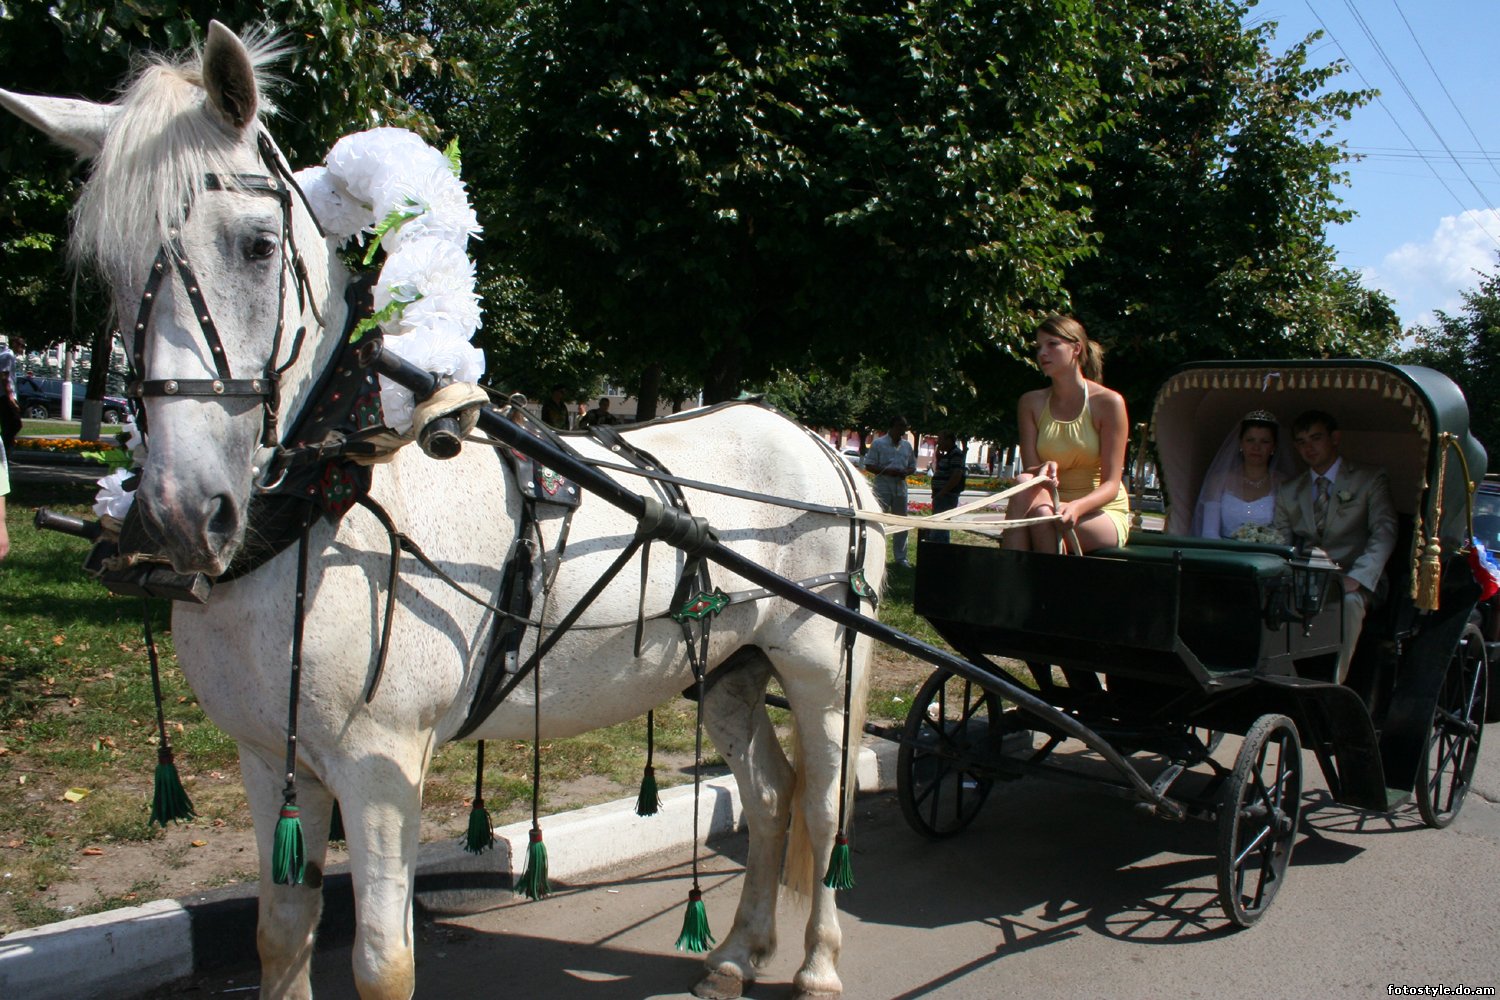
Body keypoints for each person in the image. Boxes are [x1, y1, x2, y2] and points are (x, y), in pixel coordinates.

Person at [1271, 409, 1396, 684]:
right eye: (1301, 442)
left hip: (1355, 578)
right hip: (1306, 579)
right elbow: (1281, 540)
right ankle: (1281, 677)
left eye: (1316, 438)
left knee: (1349, 603)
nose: (1309, 448)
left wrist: (1358, 577)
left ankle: (1334, 683)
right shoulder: (1289, 490)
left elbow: (1384, 532)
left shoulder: (1369, 478)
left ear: (1335, 438)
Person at [1003, 314, 1130, 554]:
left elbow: (1112, 484)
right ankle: (1018, 573)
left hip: (1099, 510)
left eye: (1052, 344)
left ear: (1076, 348)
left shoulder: (1108, 402)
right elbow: (1031, 473)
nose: (1042, 353)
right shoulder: (1030, 402)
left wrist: (1076, 507)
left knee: (1043, 520)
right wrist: (1043, 467)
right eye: (1039, 347)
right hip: (1048, 504)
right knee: (1027, 489)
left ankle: (1010, 572)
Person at [1192, 410, 1296, 540]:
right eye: (1250, 440)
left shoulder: (1282, 483)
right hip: (1222, 550)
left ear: (1273, 447)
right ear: (1241, 443)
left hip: (1267, 551)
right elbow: (1209, 533)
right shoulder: (1219, 481)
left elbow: (1285, 534)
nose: (1256, 447)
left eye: (1264, 441)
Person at [862, 415, 916, 567]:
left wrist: (906, 471)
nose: (903, 431)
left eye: (904, 427)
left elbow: (912, 466)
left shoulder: (907, 446)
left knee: (902, 522)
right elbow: (869, 464)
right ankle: (875, 554)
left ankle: (901, 558)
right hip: (883, 487)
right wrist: (887, 471)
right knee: (878, 521)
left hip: (900, 488)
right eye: (900, 427)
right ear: (892, 427)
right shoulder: (878, 443)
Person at [924, 431, 966, 544]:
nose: (938, 442)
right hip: (941, 496)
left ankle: (940, 549)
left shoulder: (956, 454)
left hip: (946, 496)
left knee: (940, 526)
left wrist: (942, 492)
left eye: (941, 439)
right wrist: (939, 458)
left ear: (949, 440)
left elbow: (956, 475)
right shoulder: (948, 454)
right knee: (938, 525)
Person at [0, 340, 20, 454]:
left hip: (6, 396)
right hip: (5, 396)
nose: (22, 348)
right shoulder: (8, 355)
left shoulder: (8, 355)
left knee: (10, 425)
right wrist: (10, 397)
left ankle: (6, 452)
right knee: (14, 424)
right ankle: (5, 452)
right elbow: (4, 377)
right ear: (14, 344)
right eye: (21, 345)